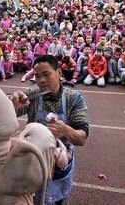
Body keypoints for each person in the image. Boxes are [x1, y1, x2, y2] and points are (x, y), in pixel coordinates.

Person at [11, 55, 89, 205]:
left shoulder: (74, 98)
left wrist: (65, 129)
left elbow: (82, 137)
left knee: (60, 199)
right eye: (37, 76)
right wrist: (12, 103)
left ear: (59, 72)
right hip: (35, 162)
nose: (40, 80)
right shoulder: (32, 96)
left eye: (46, 74)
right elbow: (5, 112)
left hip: (61, 163)